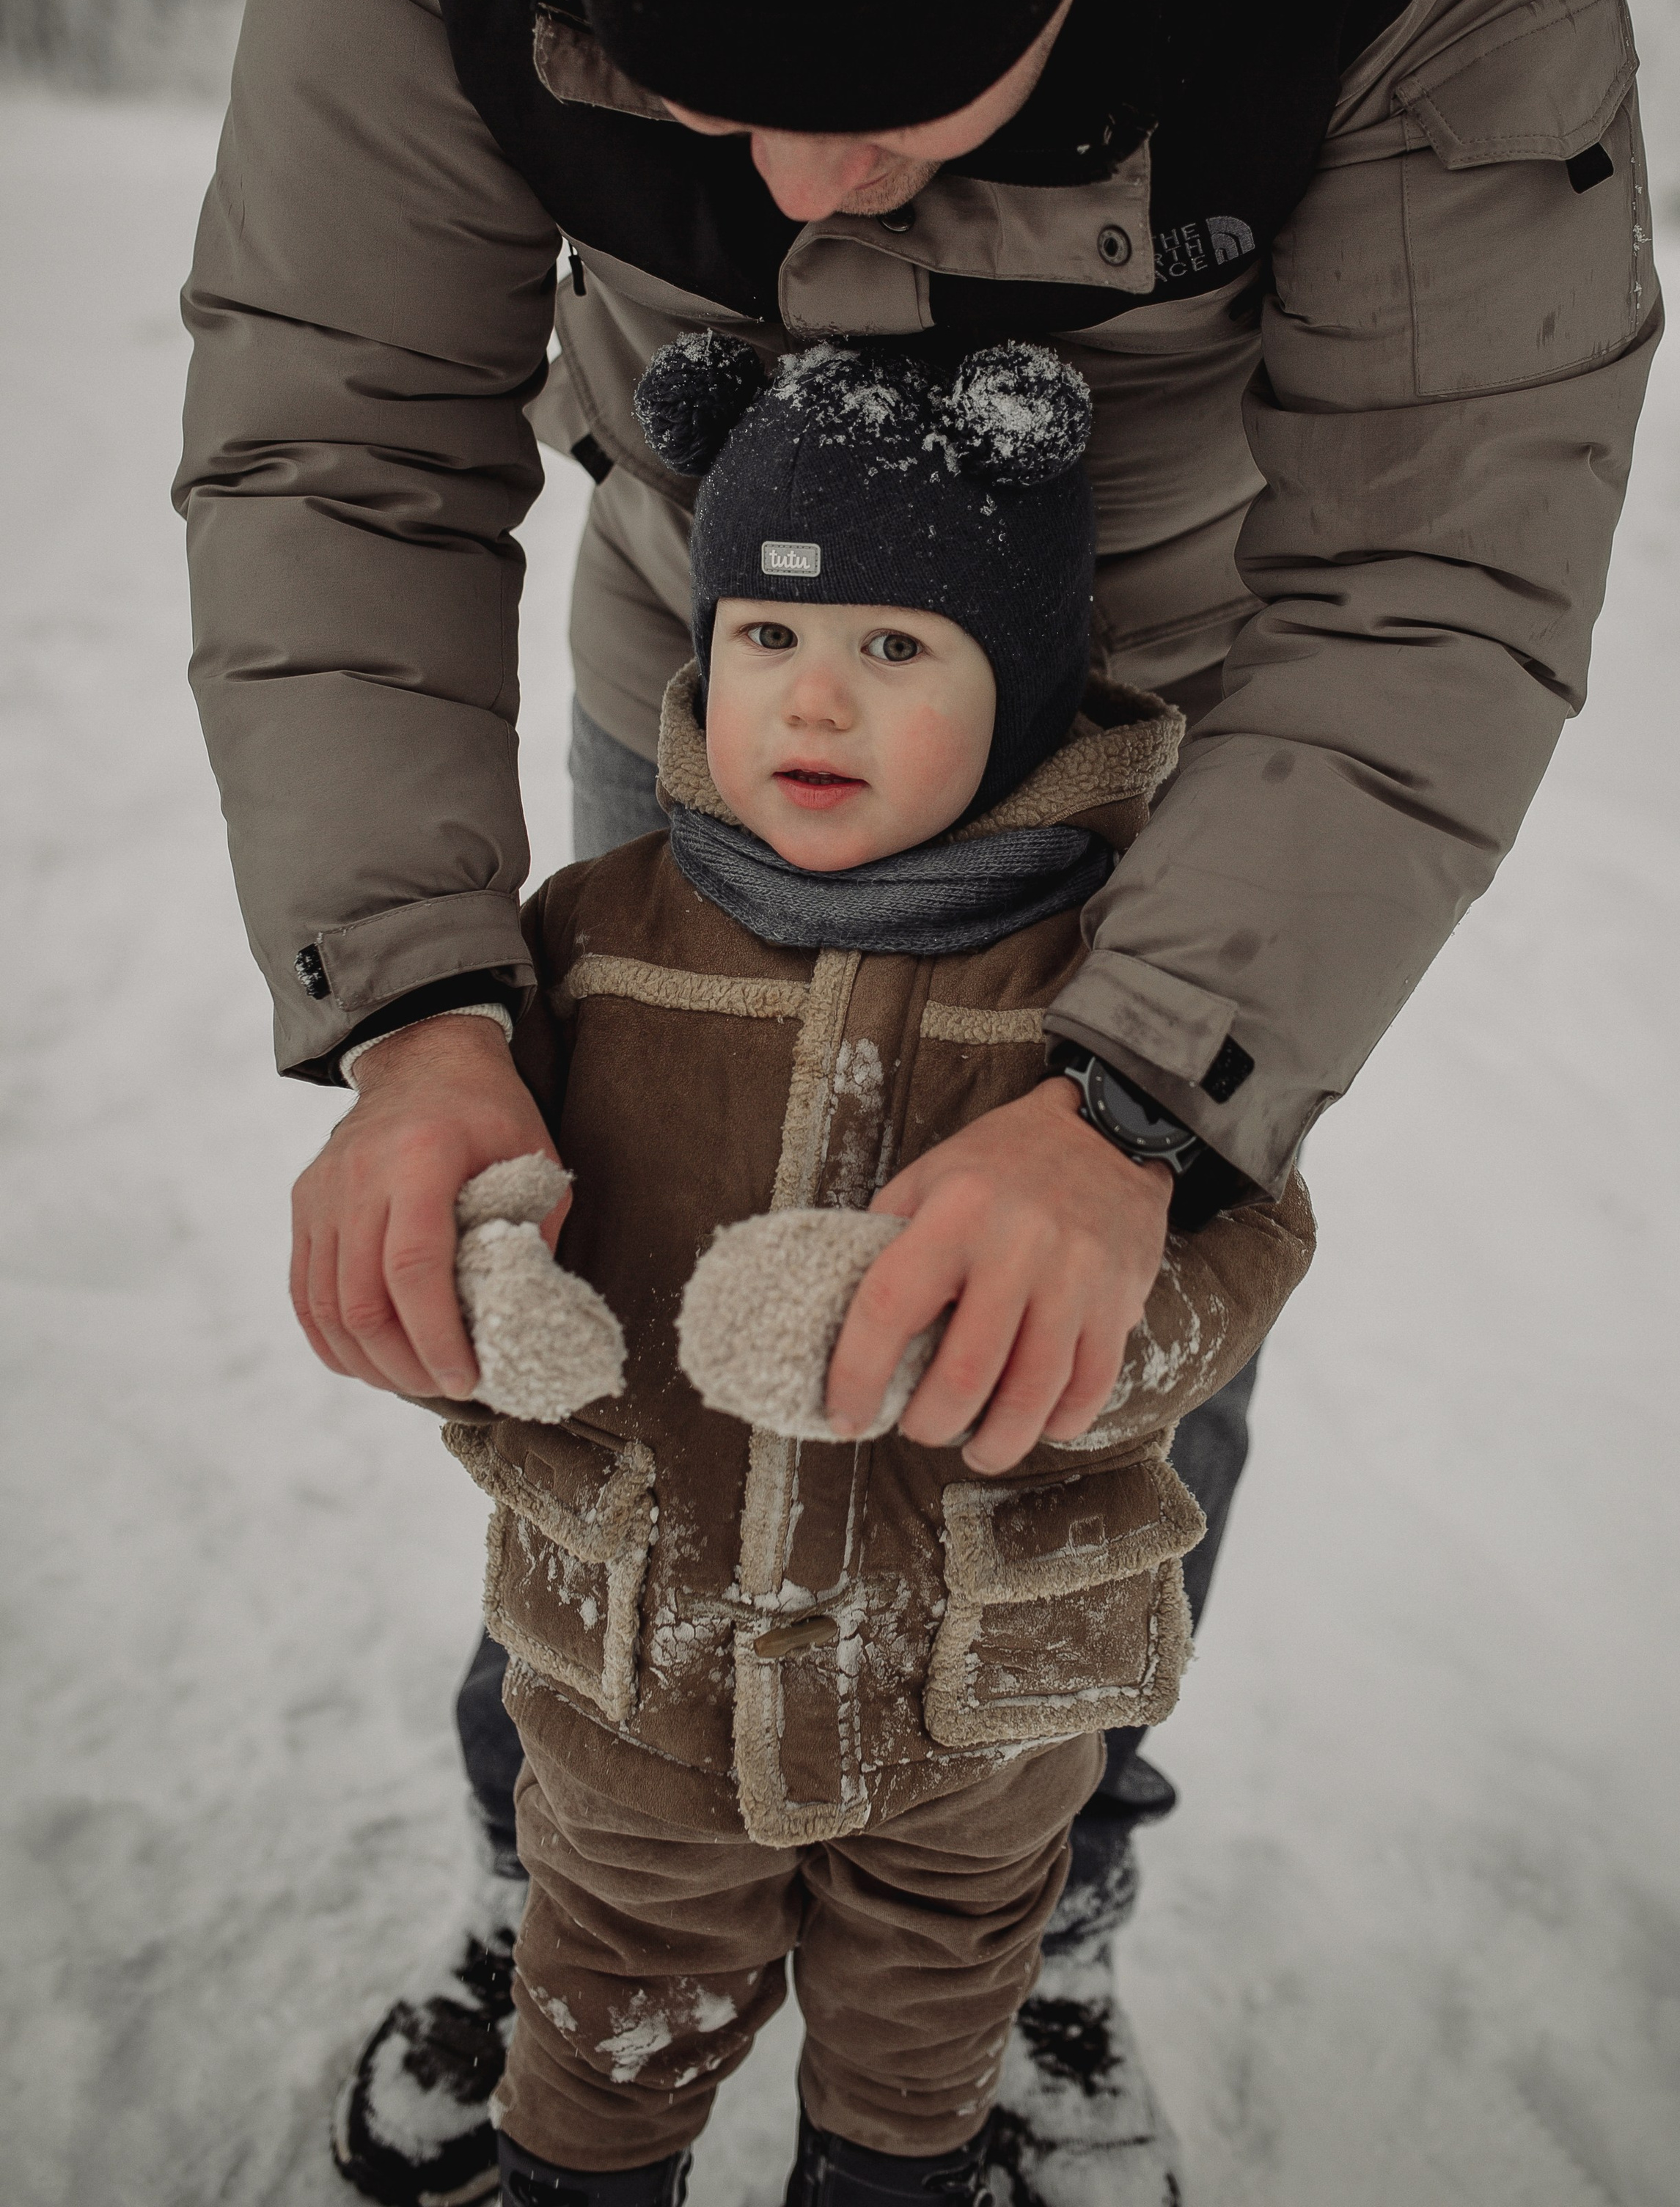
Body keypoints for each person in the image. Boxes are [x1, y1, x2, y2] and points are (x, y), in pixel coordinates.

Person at [176, 0, 1660, 2203]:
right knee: (624, 1285)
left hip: (1186, 729)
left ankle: (1032, 1891)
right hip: (701, 682)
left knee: (1068, 1353)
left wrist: (1141, 1107)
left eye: (898, 95)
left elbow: (1437, 582)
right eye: (709, 95)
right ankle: (585, 1869)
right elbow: (339, 431)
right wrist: (411, 1004)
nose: (810, 187)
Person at [406, 332, 1313, 2207]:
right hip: (640, 1702)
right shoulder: (589, 937)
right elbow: (487, 1185)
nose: (812, 705)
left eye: (895, 650)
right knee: (598, 2058)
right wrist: (494, 1296)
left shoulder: (1118, 988)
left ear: (1029, 681)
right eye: (766, 640)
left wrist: (1059, 1342)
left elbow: (1249, 1239)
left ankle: (937, 2123)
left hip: (974, 1717)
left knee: (917, 2079)